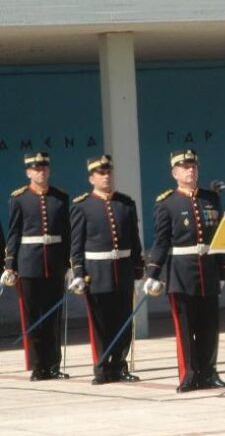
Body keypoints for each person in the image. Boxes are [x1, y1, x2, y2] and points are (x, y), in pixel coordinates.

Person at [143, 149, 225, 392]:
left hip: (209, 270)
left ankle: (209, 372)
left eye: (193, 166)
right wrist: (152, 274)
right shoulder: (167, 203)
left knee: (209, 327)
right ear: (175, 173)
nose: (190, 170)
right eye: (184, 167)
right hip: (181, 274)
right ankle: (189, 374)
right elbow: (161, 242)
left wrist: (223, 272)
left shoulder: (211, 198)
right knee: (185, 329)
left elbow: (221, 238)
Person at [69, 154, 144, 384]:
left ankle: (119, 366)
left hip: (122, 270)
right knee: (101, 323)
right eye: (101, 173)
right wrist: (79, 273)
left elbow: (134, 238)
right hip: (97, 273)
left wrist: (138, 269)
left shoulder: (125, 203)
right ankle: (102, 368)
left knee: (124, 321)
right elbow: (76, 244)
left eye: (109, 172)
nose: (106, 176)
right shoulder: (82, 206)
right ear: (92, 178)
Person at [3, 152, 71, 381]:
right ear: (28, 172)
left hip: (54, 264)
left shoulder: (60, 197)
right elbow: (14, 235)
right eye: (36, 169)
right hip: (29, 264)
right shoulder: (19, 199)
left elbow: (67, 233)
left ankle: (53, 364)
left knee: (54, 317)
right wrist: (10, 265)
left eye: (44, 168)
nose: (41, 172)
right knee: (34, 317)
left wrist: (70, 263)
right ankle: (38, 365)